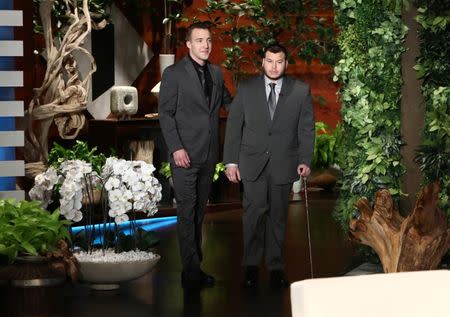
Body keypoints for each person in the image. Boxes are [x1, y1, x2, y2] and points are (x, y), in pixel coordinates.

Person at [223, 43, 314, 289]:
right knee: (253, 213)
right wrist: (230, 161)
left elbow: (306, 129)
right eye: (270, 61)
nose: (274, 66)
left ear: (286, 63)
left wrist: (305, 160)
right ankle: (250, 266)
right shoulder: (246, 88)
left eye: (279, 61)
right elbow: (234, 127)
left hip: (283, 163)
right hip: (251, 163)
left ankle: (275, 267)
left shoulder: (300, 91)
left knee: (277, 218)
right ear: (262, 62)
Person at [158, 22, 232, 289]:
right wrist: (176, 148)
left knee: (199, 213)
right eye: (199, 40)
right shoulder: (174, 74)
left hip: (208, 155)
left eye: (209, 40)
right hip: (184, 156)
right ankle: (191, 273)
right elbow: (165, 115)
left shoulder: (216, 72)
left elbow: (228, 104)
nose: (205, 45)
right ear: (188, 44)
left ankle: (194, 266)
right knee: (187, 213)